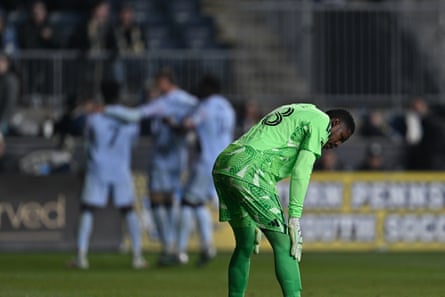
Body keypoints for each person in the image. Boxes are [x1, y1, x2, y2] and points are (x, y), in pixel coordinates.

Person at [212, 103, 355, 297]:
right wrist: (294, 217)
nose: (337, 144)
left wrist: (254, 208)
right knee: (286, 245)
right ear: (335, 122)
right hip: (250, 170)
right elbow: (302, 170)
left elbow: (266, 149)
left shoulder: (299, 109)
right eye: (341, 137)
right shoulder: (321, 121)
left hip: (225, 163)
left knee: (244, 244)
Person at [105, 68, 198, 265]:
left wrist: (105, 110)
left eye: (158, 83)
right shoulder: (190, 101)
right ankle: (179, 248)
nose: (156, 87)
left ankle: (168, 246)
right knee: (172, 203)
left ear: (165, 82)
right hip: (180, 159)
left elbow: (133, 116)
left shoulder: (163, 103)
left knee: (156, 204)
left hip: (161, 159)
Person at [70, 81, 147, 269]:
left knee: (88, 209)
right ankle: (137, 256)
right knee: (128, 210)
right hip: (120, 168)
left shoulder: (94, 118)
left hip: (98, 168)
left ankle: (81, 256)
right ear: (119, 95)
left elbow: (88, 142)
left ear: (101, 95)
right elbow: (134, 142)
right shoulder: (128, 119)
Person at [170, 74, 235, 266]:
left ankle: (180, 252)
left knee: (186, 203)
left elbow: (188, 125)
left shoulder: (206, 107)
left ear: (208, 88)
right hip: (224, 160)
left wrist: (173, 124)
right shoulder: (228, 108)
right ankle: (207, 247)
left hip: (207, 160)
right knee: (197, 203)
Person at [0, 53, 19, 135]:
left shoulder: (10, 80)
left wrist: (4, 121)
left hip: (7, 120)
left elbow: (10, 103)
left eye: (2, 62)